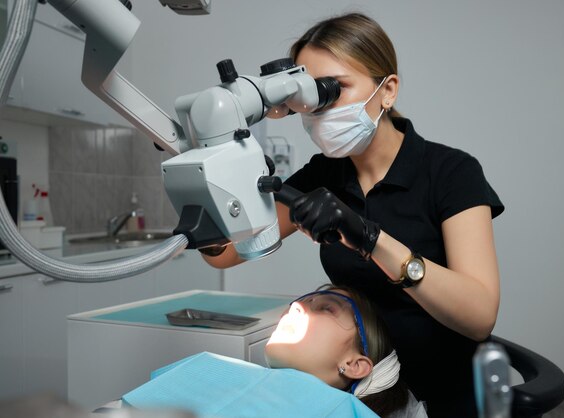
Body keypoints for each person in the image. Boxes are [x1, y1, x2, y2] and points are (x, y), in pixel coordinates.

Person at [202, 12, 504, 418]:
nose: (321, 108)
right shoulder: (325, 174)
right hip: (359, 397)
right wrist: (203, 168)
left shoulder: (451, 173)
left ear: (387, 90)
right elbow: (225, 252)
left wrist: (369, 238)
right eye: (312, 94)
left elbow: (479, 316)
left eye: (336, 88)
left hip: (446, 396)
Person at [117, 285, 422, 418]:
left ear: (354, 365)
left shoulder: (343, 412)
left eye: (327, 308)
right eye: (301, 302)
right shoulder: (211, 367)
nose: (299, 306)